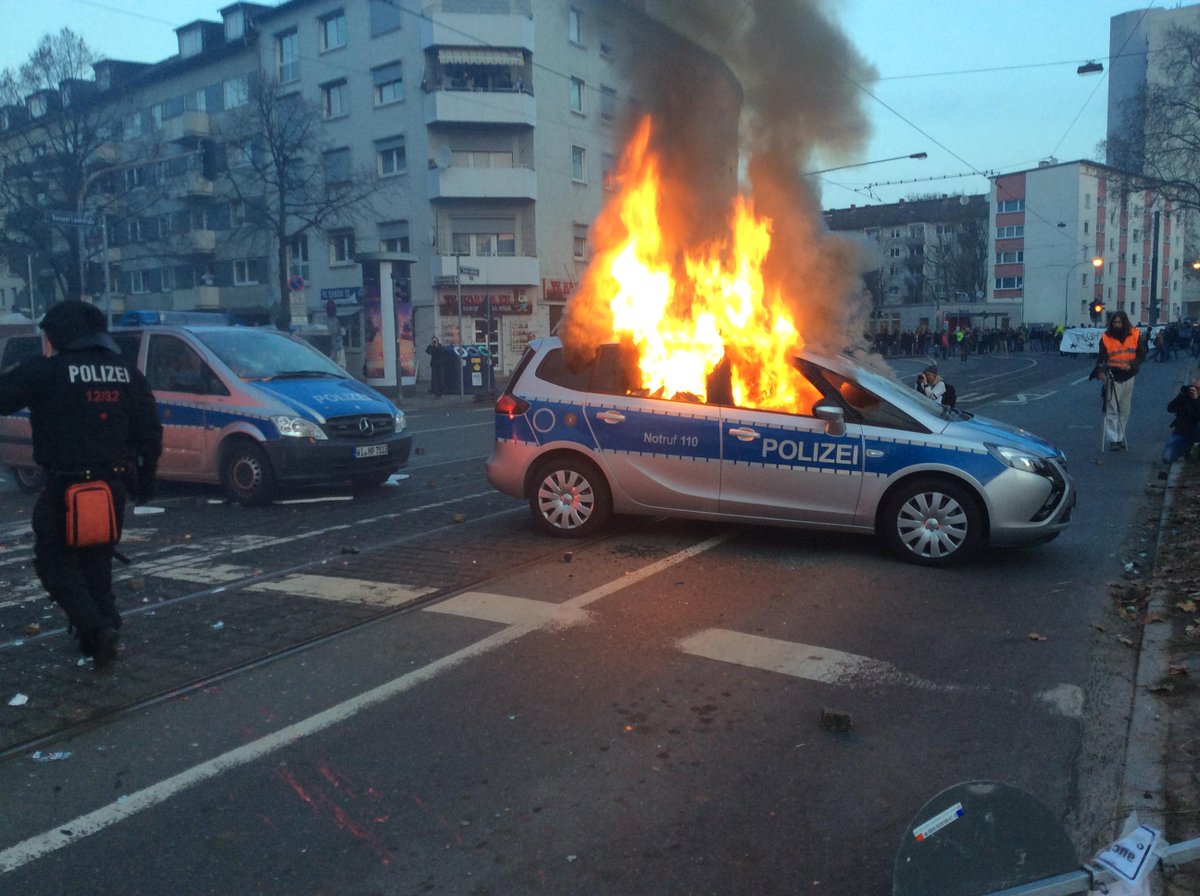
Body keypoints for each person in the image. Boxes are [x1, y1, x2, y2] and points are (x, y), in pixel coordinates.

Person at [0, 301, 162, 668]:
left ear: (58, 336)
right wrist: (145, 479)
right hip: (109, 488)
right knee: (97, 562)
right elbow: (150, 432)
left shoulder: (46, 371)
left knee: (53, 564)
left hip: (63, 487)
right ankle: (104, 630)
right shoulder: (127, 373)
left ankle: (96, 630)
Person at [1093, 310, 1146, 451]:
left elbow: (1141, 354)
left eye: (1119, 322)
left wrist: (1131, 365)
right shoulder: (1106, 337)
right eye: (1115, 322)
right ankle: (1113, 439)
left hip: (1129, 374)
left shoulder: (1135, 334)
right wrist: (1101, 372)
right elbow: (1102, 358)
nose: (1117, 325)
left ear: (1124, 322)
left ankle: (1121, 436)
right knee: (1111, 408)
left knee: (1124, 408)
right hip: (1113, 374)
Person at [1162, 376, 1200, 464]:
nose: (1194, 389)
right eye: (1194, 386)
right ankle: (1186, 449)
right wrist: (1181, 395)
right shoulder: (1186, 395)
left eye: (1198, 388)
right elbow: (1170, 408)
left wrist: (1196, 400)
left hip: (1197, 430)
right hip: (1183, 431)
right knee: (1167, 458)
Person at [324, 299, 345, 368]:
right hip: (335, 348)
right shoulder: (335, 321)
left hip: (332, 349)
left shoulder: (326, 321)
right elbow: (338, 335)